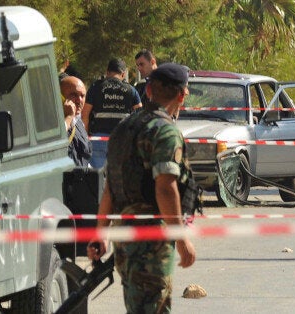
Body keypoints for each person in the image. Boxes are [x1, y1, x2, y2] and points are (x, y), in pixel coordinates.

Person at [87, 63, 196, 313]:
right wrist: (182, 240)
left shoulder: (124, 130)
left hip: (125, 239)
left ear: (148, 91)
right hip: (152, 241)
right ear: (182, 95)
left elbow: (110, 189)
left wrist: (100, 233)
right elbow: (166, 188)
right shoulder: (165, 132)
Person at [82, 58, 142, 168]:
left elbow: (85, 114)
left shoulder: (96, 87)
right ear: (123, 74)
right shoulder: (131, 90)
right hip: (122, 140)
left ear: (107, 72)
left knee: (99, 177)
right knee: (120, 177)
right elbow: (140, 115)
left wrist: (86, 138)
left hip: (98, 139)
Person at [60, 76, 92, 167]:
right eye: (73, 95)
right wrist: (69, 117)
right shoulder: (53, 122)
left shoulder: (78, 122)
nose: (79, 100)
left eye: (82, 96)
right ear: (60, 96)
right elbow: (55, 142)